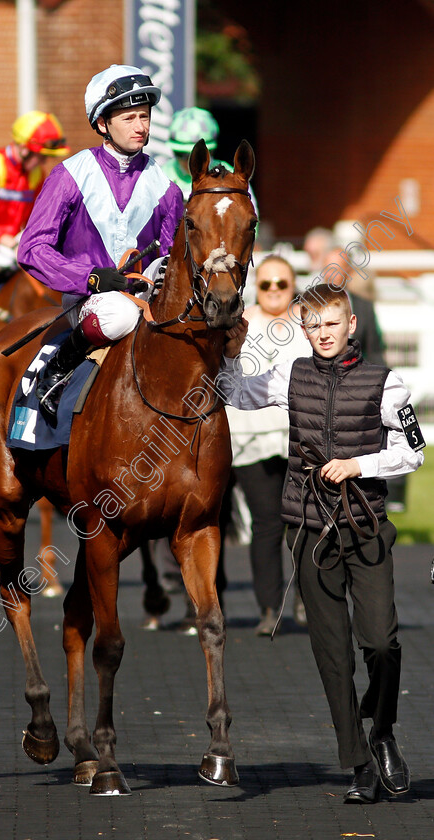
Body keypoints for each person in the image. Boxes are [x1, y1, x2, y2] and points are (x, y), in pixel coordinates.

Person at [220, 283, 424, 804]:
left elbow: (414, 451)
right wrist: (228, 340)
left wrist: (361, 465)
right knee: (333, 654)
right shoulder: (292, 376)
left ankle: (382, 732)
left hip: (367, 526)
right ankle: (357, 762)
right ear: (303, 328)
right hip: (309, 531)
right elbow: (236, 392)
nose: (323, 333)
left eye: (332, 323)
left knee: (381, 643)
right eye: (313, 325)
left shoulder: (387, 382)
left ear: (350, 324)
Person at [18, 64, 184, 421]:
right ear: (102, 124)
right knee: (119, 313)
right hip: (91, 302)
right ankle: (58, 368)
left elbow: (173, 253)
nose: (141, 127)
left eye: (145, 116)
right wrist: (91, 277)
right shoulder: (69, 175)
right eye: (128, 118)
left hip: (149, 299)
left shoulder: (166, 183)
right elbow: (31, 249)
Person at [224, 255, 312, 635]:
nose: (275, 290)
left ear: (293, 287)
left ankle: (308, 598)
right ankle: (269, 608)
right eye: (267, 284)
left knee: (306, 523)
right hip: (251, 439)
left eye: (283, 284)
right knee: (267, 524)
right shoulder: (242, 326)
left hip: (302, 441)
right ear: (256, 287)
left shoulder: (308, 325)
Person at [0, 111, 69, 300]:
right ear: (24, 148)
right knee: (9, 267)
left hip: (14, 246)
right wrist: (7, 240)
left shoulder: (35, 174)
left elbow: (38, 218)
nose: (44, 161)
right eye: (41, 156)